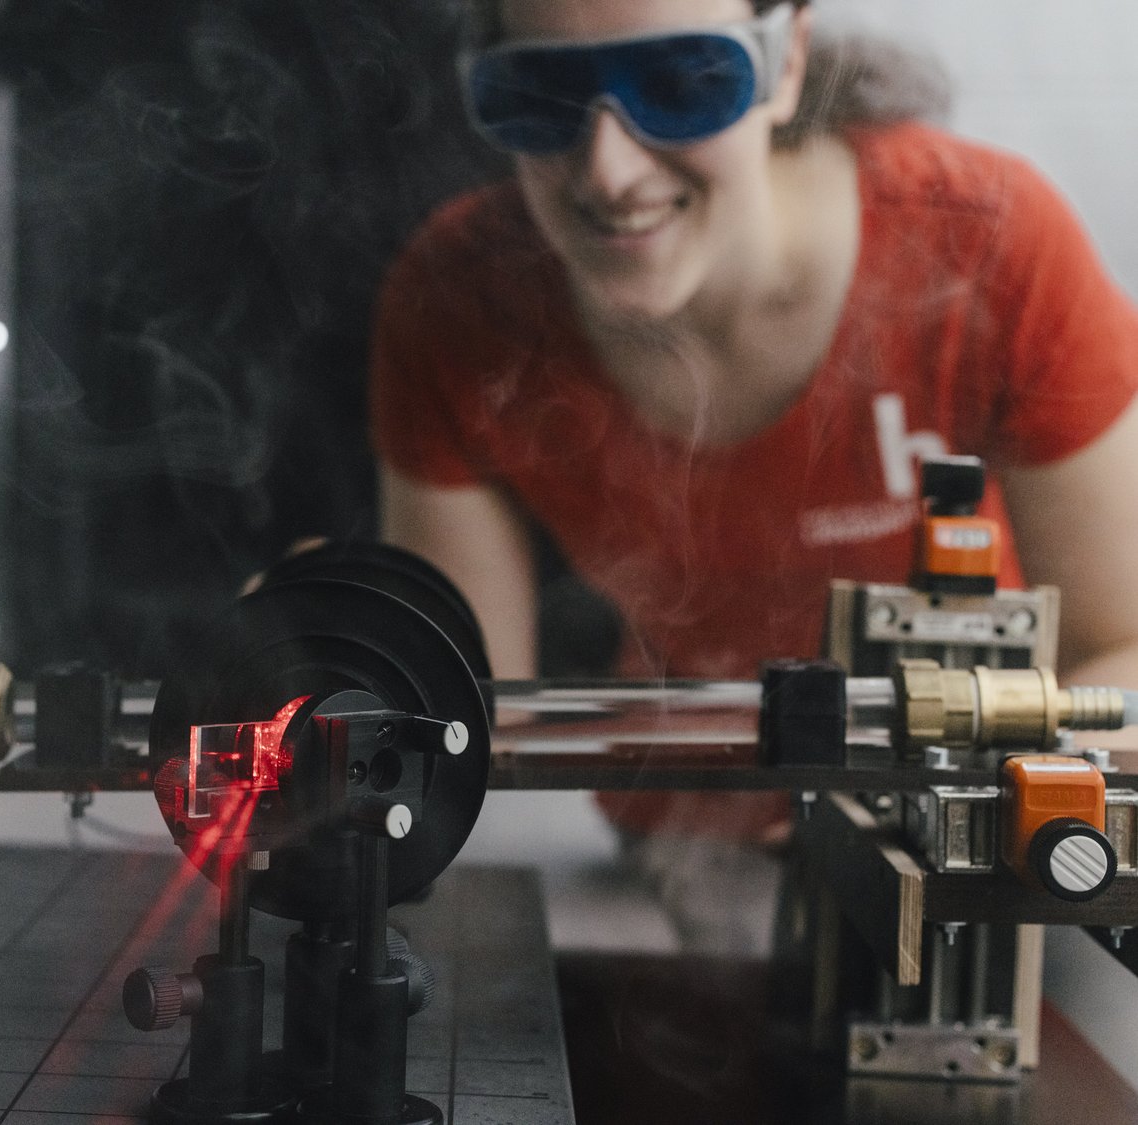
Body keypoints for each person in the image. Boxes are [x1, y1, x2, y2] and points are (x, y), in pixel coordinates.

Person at [369, 0, 1138, 950]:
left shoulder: (991, 245)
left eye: (683, 83)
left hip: (983, 861)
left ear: (785, 64)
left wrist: (931, 810)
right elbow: (466, 718)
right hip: (687, 854)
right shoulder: (455, 304)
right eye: (541, 95)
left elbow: (1126, 655)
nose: (609, 170)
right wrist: (339, 662)